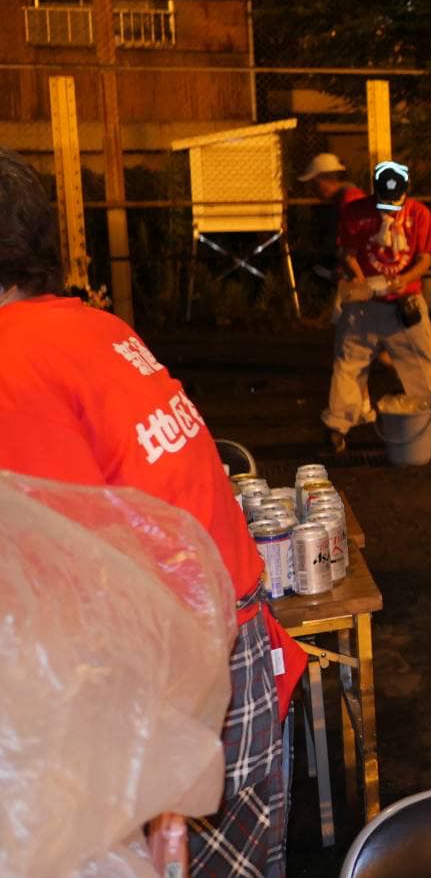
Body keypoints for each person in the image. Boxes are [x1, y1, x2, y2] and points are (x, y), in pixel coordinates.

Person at [0, 146, 303, 878]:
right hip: (231, 653)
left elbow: (63, 585)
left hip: (172, 691)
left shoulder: (10, 364)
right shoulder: (91, 328)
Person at [323, 159, 431, 453]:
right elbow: (349, 253)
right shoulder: (356, 213)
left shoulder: (418, 213)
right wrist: (361, 281)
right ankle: (338, 428)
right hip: (364, 306)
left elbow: (423, 259)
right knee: (349, 366)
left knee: (423, 367)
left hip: (405, 304)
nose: (389, 208)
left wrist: (404, 279)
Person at [297, 151, 365, 287]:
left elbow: (355, 240)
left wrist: (354, 274)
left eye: (314, 184)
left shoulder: (350, 199)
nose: (312, 190)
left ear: (326, 179)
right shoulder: (344, 199)